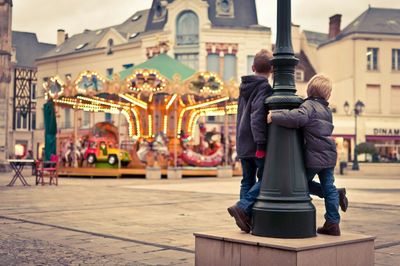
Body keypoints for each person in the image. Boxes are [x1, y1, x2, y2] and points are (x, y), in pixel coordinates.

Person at [267, 74, 348, 236]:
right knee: (329, 186)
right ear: (327, 94)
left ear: (310, 89)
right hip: (329, 154)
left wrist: (273, 116)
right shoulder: (326, 110)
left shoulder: (309, 106)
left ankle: (335, 197)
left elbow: (297, 117)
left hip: (314, 156)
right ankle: (333, 222)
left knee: (300, 184)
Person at [227, 49, 273, 233]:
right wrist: (262, 144)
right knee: (267, 177)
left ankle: (245, 220)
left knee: (246, 180)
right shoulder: (264, 88)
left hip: (243, 142)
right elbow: (256, 118)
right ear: (271, 70)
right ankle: (243, 206)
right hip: (256, 144)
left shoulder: (245, 86)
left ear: (253, 67)